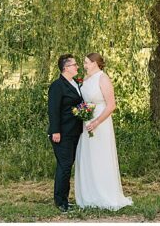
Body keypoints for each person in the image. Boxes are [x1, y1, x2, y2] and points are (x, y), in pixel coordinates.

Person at [73, 52, 132, 210]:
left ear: (95, 63)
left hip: (101, 121)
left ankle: (105, 194)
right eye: (84, 62)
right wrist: (83, 113)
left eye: (86, 62)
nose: (84, 65)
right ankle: (89, 195)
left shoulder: (103, 78)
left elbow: (111, 105)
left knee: (100, 156)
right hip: (87, 121)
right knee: (88, 156)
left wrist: (97, 122)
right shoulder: (85, 79)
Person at [47, 53, 84, 212]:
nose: (77, 67)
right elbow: (53, 110)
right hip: (61, 133)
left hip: (74, 131)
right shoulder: (57, 85)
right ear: (66, 68)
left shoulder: (75, 83)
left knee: (67, 165)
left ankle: (65, 199)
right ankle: (60, 201)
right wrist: (55, 131)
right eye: (74, 65)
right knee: (64, 165)